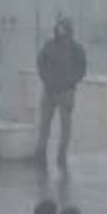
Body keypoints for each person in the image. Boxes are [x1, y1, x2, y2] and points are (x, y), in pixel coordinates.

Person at [34, 18, 87, 169]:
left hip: (66, 92)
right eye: (59, 27)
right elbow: (40, 63)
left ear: (69, 30)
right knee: (44, 124)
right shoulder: (49, 45)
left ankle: (61, 157)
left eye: (63, 28)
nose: (60, 30)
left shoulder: (76, 48)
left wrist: (70, 82)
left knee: (65, 127)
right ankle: (40, 153)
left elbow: (82, 69)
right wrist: (46, 80)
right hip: (49, 91)